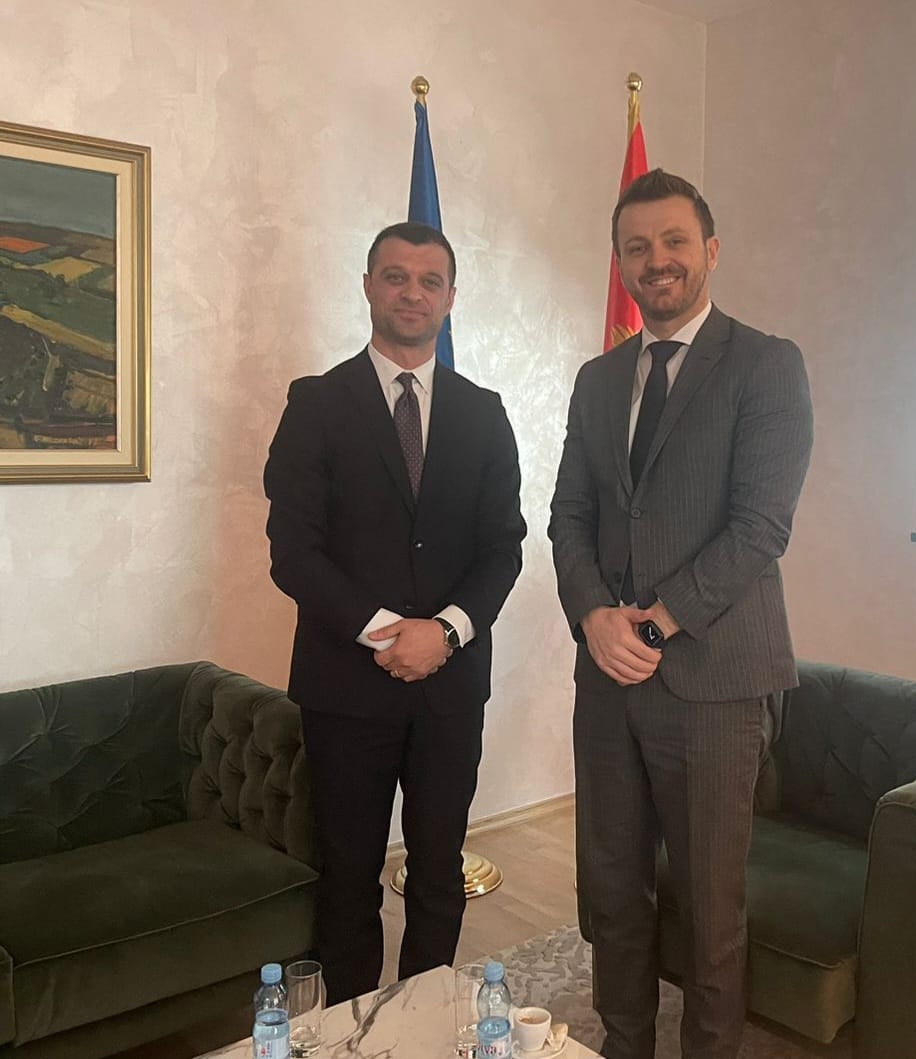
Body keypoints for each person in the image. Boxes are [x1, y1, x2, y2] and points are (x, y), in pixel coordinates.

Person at [549, 170, 814, 1059]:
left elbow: (760, 527)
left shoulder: (766, 364)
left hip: (713, 682)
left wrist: (655, 623)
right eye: (636, 246)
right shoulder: (598, 379)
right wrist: (594, 615)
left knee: (708, 908)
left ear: (711, 249)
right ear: (620, 263)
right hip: (607, 679)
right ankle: (624, 1042)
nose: (655, 260)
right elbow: (569, 515)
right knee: (612, 889)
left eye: (672, 241)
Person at [264, 222, 525, 1004]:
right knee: (347, 872)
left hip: (451, 686)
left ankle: (424, 1017)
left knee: (439, 868)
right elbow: (293, 551)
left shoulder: (484, 412)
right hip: (346, 688)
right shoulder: (316, 403)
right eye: (396, 276)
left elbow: (503, 548)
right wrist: (390, 633)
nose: (413, 292)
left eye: (429, 279)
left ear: (451, 297)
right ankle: (352, 1031)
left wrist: (443, 632)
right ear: (369, 286)